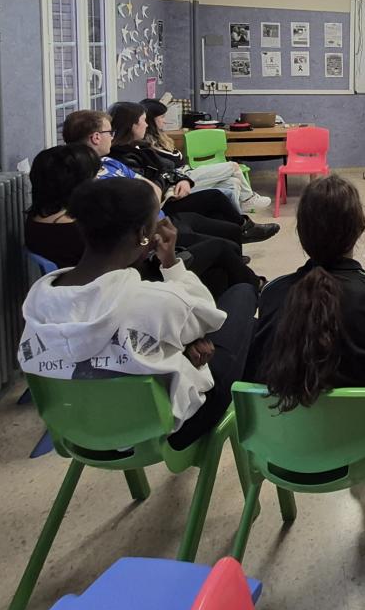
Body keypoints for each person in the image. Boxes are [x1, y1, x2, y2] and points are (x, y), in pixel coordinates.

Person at [17, 178, 256, 449]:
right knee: (243, 298)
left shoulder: (39, 300)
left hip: (77, 429)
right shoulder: (153, 301)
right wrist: (171, 263)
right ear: (144, 233)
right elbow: (208, 315)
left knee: (196, 336)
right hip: (162, 430)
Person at [248, 176, 365, 439]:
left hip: (284, 444)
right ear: (360, 229)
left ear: (302, 235)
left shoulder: (272, 293)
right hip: (364, 443)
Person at [25, 145, 263, 299]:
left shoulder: (39, 219)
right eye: (93, 175)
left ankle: (245, 287)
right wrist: (151, 238)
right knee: (220, 248)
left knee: (221, 266)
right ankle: (254, 290)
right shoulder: (82, 225)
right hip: (129, 283)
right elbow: (130, 255)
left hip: (106, 280)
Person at [78, 104, 278, 244]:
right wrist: (175, 180)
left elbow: (166, 169)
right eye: (143, 121)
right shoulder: (121, 156)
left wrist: (179, 178)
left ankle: (242, 230)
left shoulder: (139, 147)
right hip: (166, 201)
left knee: (229, 185)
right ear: (132, 126)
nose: (147, 124)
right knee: (230, 174)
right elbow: (151, 184)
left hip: (176, 184)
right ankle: (245, 222)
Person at [141, 98, 270, 212]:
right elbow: (171, 164)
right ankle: (248, 199)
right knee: (233, 166)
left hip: (186, 172)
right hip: (180, 179)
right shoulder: (147, 144)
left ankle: (239, 219)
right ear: (151, 120)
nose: (165, 121)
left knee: (234, 182)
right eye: (162, 117)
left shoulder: (161, 138)